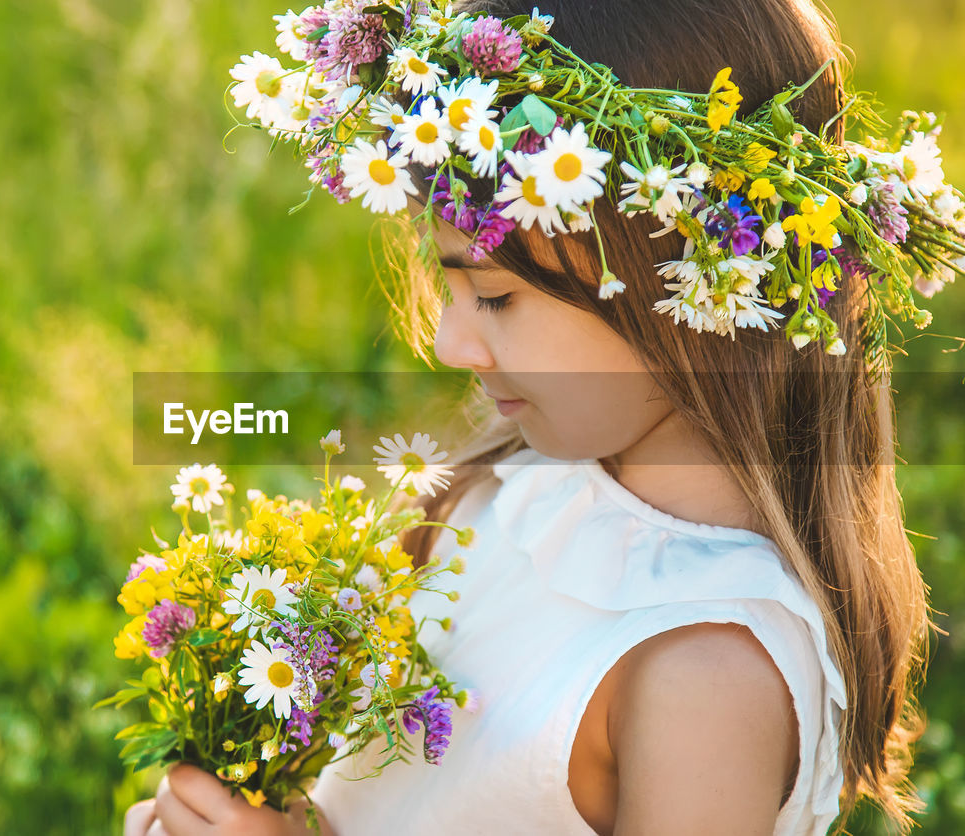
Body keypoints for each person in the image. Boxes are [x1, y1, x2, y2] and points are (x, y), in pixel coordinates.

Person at [124, 0, 943, 832]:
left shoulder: (705, 677)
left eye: (494, 296)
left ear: (674, 267)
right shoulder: (507, 495)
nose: (450, 344)